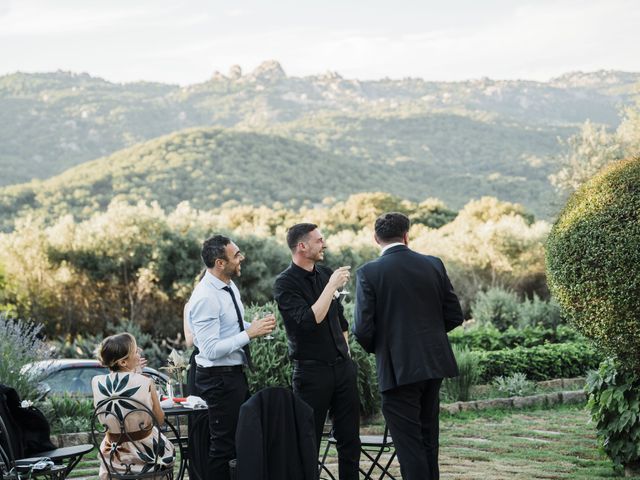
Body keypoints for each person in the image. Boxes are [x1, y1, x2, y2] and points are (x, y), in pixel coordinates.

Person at [353, 212, 464, 480]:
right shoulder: (433, 264)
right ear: (406, 235)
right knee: (428, 439)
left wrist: (385, 348)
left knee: (409, 444)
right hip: (434, 363)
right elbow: (454, 315)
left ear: (375, 238)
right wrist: (429, 337)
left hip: (397, 368)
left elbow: (363, 329)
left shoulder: (369, 272)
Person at [274, 223, 361, 480]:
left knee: (350, 440)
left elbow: (339, 319)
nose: (324, 244)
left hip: (342, 369)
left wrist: (346, 355)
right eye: (319, 240)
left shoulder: (324, 273)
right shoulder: (285, 283)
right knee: (307, 442)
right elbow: (310, 320)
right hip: (311, 373)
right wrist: (331, 286)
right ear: (302, 246)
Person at [187, 234, 276, 480]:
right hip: (216, 381)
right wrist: (249, 333)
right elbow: (209, 349)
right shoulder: (205, 297)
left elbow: (230, 326)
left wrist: (254, 326)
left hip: (233, 377)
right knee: (223, 447)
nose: (242, 258)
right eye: (236, 255)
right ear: (220, 263)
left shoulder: (228, 286)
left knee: (240, 440)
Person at [92, 333, 175, 480]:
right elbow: (160, 420)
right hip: (148, 456)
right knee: (167, 448)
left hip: (113, 458)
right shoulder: (146, 381)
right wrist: (138, 376)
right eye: (136, 351)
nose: (139, 353)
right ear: (123, 362)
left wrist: (134, 373)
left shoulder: (96, 382)